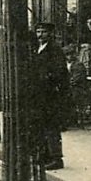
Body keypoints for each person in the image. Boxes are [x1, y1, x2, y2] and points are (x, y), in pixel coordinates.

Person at [32, 21, 69, 170]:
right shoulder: (38, 48)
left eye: (44, 32)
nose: (40, 35)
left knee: (51, 126)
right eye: (38, 32)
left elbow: (60, 72)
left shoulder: (55, 50)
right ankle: (44, 155)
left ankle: (56, 157)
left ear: (50, 33)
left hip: (51, 93)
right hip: (40, 93)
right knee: (41, 125)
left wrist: (45, 78)